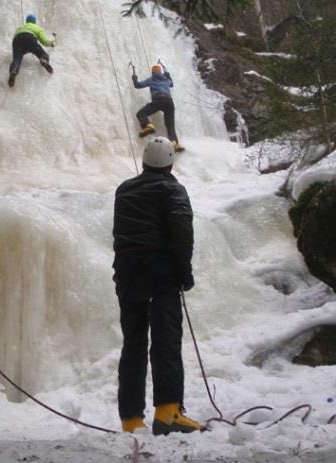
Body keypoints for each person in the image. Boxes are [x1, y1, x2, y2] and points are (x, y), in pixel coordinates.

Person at [112, 137, 203, 435]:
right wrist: (184, 273)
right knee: (166, 340)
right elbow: (181, 232)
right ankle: (168, 412)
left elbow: (120, 233)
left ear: (144, 161)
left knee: (134, 343)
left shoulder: (124, 189)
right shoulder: (172, 189)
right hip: (160, 272)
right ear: (170, 163)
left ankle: (130, 419)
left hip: (127, 273)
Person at [132, 64, 185, 152]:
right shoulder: (166, 79)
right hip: (169, 103)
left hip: (158, 100)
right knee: (170, 126)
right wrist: (168, 75)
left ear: (152, 72)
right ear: (160, 72)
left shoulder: (151, 79)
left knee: (141, 113)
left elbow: (137, 85)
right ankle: (175, 144)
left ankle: (147, 125)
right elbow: (171, 84)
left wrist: (134, 77)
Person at [8, 13, 57, 87]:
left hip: (16, 41)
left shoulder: (20, 27)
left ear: (27, 21)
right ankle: (43, 60)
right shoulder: (36, 27)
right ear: (34, 22)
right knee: (42, 53)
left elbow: (15, 38)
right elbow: (44, 42)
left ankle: (14, 70)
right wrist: (51, 44)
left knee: (17, 59)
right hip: (29, 38)